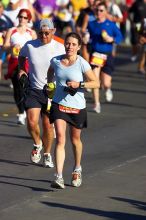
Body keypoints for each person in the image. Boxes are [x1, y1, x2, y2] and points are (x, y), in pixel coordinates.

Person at [47, 32, 99, 189]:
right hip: (59, 105)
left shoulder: (82, 63)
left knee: (75, 140)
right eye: (68, 43)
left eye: (73, 44)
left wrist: (79, 85)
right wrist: (49, 85)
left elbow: (96, 83)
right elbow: (50, 72)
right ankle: (59, 176)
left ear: (79, 47)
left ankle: (77, 169)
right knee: (60, 138)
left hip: (77, 107)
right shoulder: (56, 60)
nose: (69, 46)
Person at [18, 18, 65, 167]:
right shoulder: (30, 45)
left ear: (53, 31)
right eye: (40, 33)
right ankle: (38, 144)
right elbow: (21, 56)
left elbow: (68, 64)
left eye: (46, 33)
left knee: (47, 125)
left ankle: (47, 154)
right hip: (34, 89)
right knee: (31, 122)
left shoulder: (60, 47)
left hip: (52, 91)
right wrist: (21, 69)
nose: (43, 36)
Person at [87, 1, 123, 113]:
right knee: (95, 80)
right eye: (97, 10)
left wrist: (111, 39)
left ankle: (108, 89)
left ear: (106, 12)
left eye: (101, 10)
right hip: (96, 54)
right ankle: (96, 103)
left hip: (107, 55)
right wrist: (85, 38)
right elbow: (88, 36)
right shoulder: (92, 24)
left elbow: (119, 36)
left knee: (106, 82)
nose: (98, 12)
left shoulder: (110, 24)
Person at [3, 8, 37, 125]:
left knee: (25, 87)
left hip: (27, 63)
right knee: (17, 88)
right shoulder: (11, 31)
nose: (22, 19)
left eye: (25, 17)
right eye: (20, 17)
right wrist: (11, 47)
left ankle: (26, 110)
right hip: (14, 61)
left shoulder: (31, 33)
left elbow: (37, 49)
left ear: (29, 20)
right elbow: (4, 46)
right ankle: (21, 112)